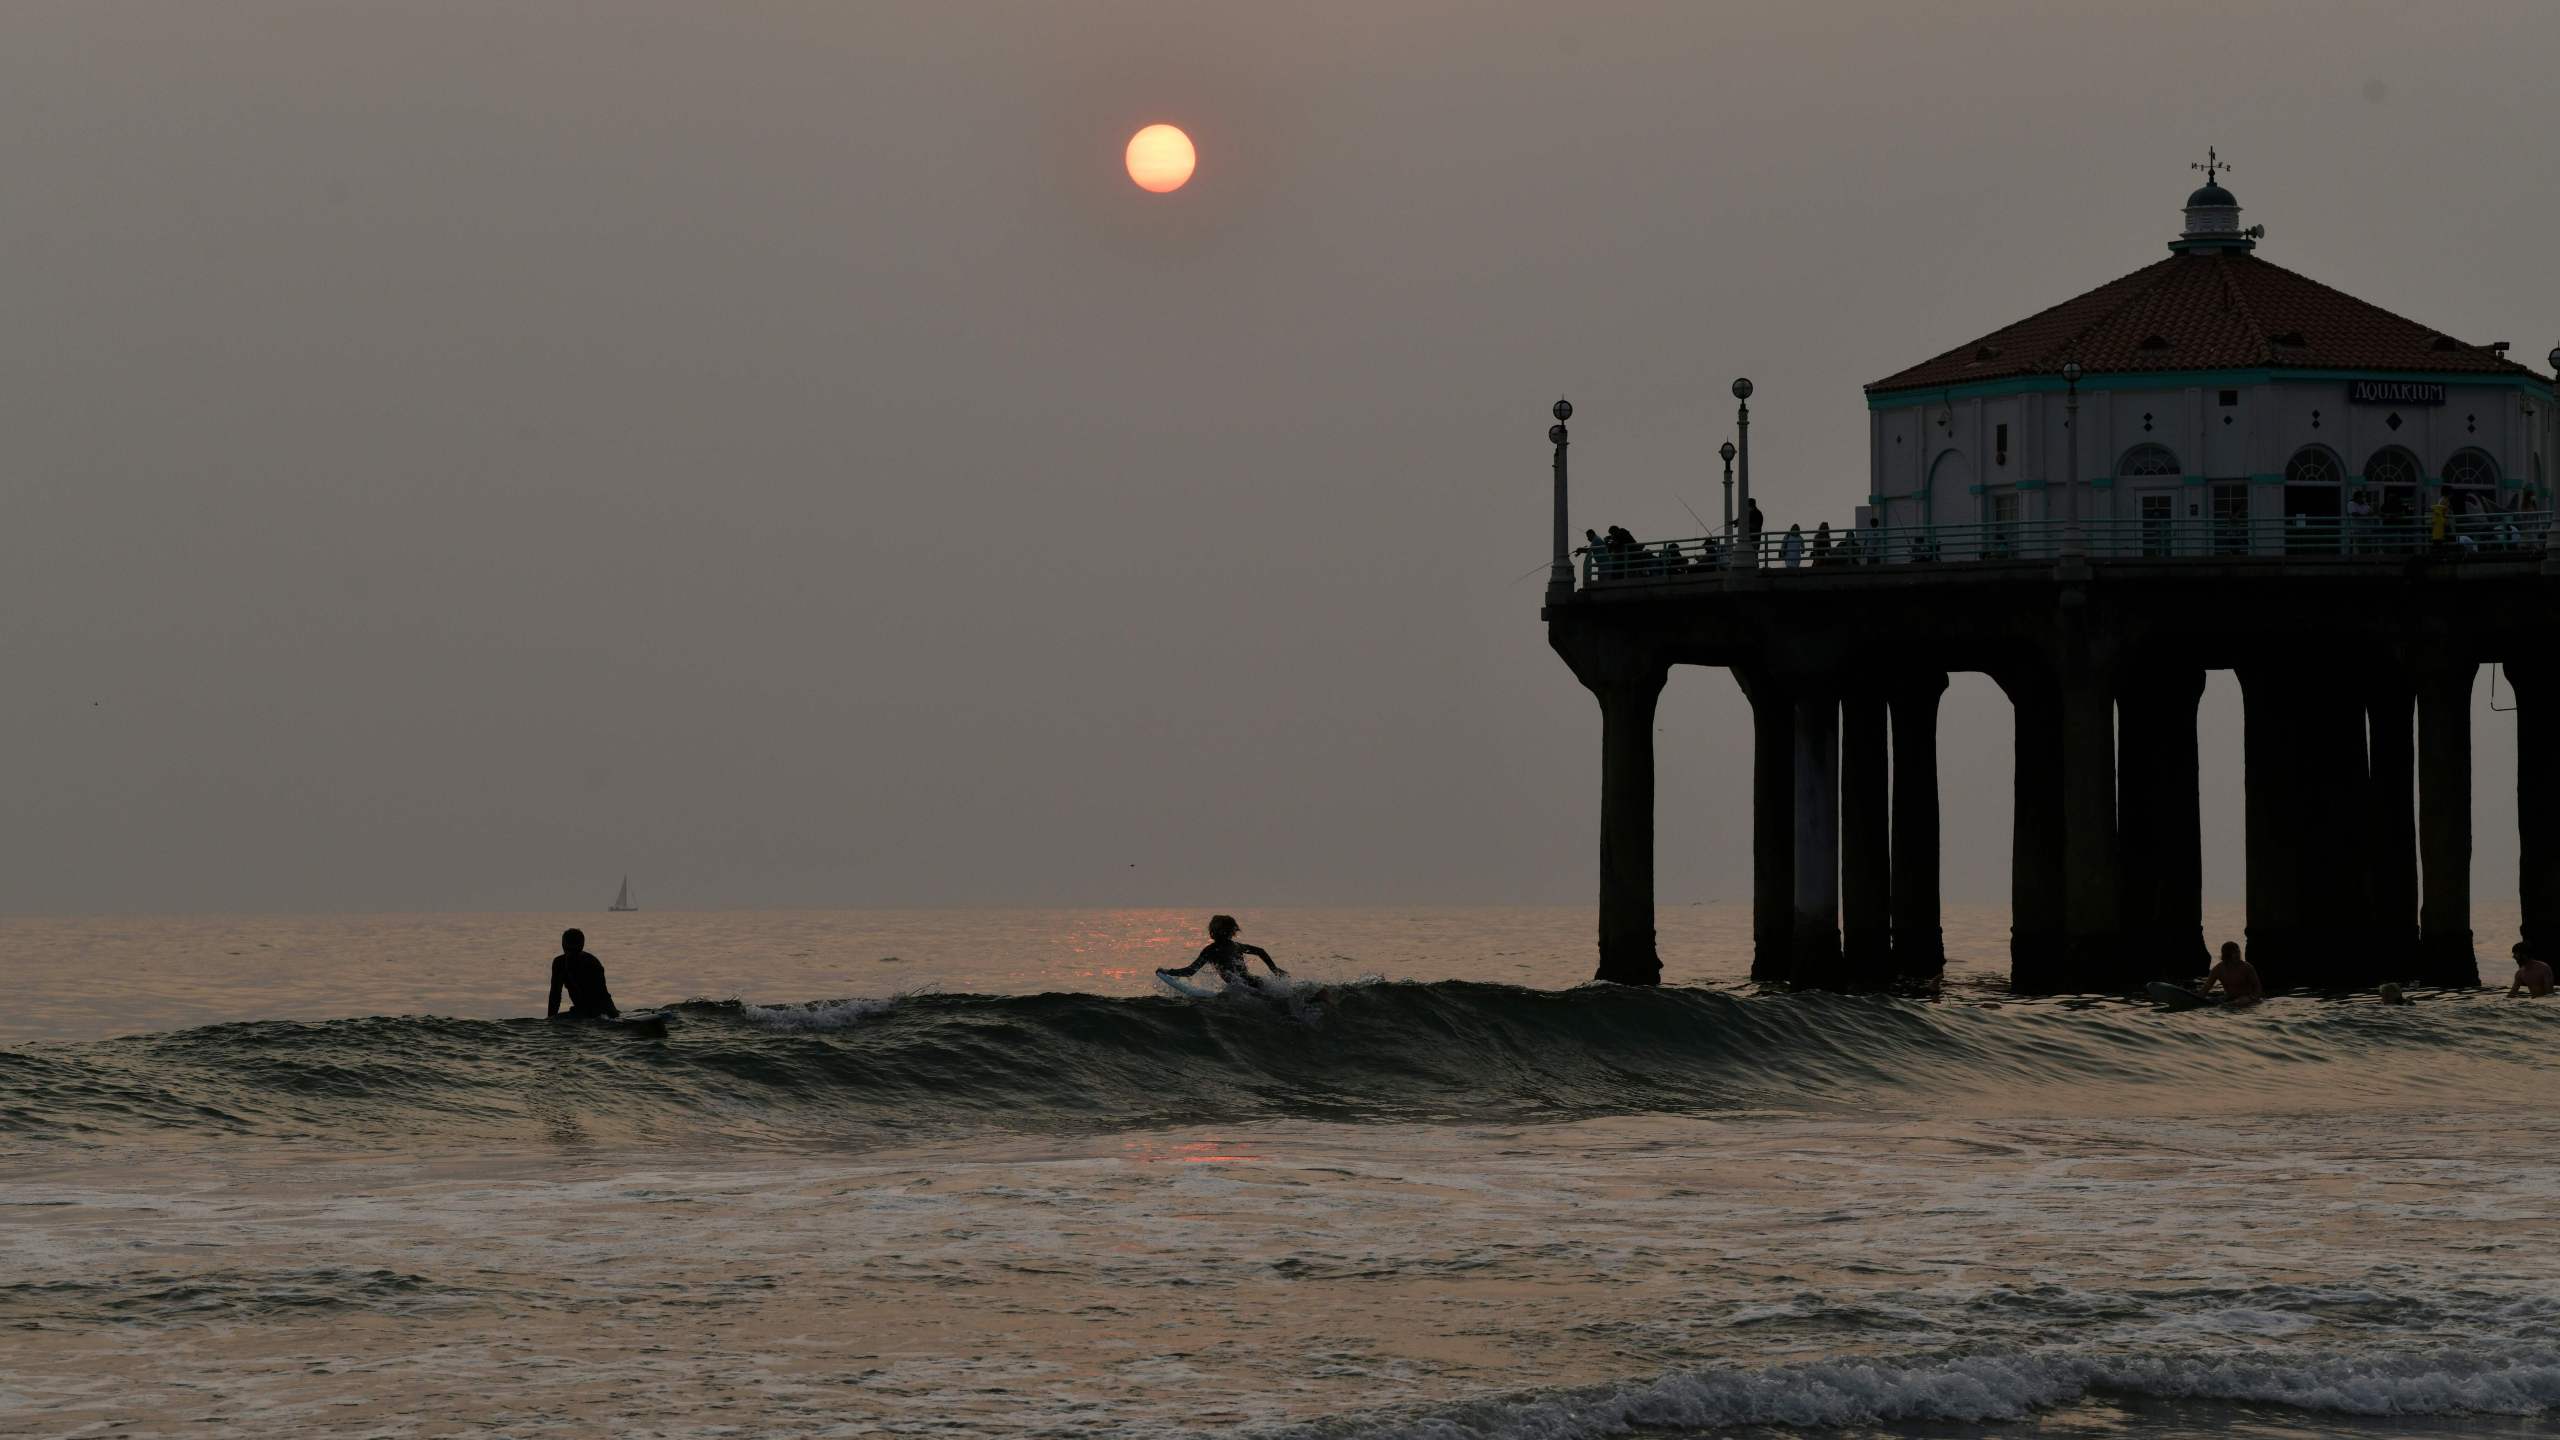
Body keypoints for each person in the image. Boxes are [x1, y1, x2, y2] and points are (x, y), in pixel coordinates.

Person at [1158, 914, 1288, 993]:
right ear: (1233, 931)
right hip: (1255, 983)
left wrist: (1168, 971)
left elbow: (1190, 971)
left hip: (1244, 990)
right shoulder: (1237, 946)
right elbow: (1261, 951)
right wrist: (1274, 969)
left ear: (1213, 931)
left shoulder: (1211, 950)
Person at [547, 928, 621, 1020]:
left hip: (603, 1010)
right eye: (569, 949)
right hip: (583, 1011)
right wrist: (550, 1020)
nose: (571, 954)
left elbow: (598, 995)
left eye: (574, 949)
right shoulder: (559, 963)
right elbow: (555, 995)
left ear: (581, 946)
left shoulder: (592, 963)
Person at [2197, 940, 2263, 1006]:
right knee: (2215, 1003)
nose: (2238, 955)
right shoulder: (2218, 969)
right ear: (2226, 955)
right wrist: (2197, 999)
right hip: (2228, 998)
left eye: (2238, 952)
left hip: (2246, 998)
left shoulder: (2247, 967)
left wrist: (2251, 998)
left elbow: (2258, 987)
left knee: (2237, 1003)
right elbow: (2206, 988)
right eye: (2235, 953)